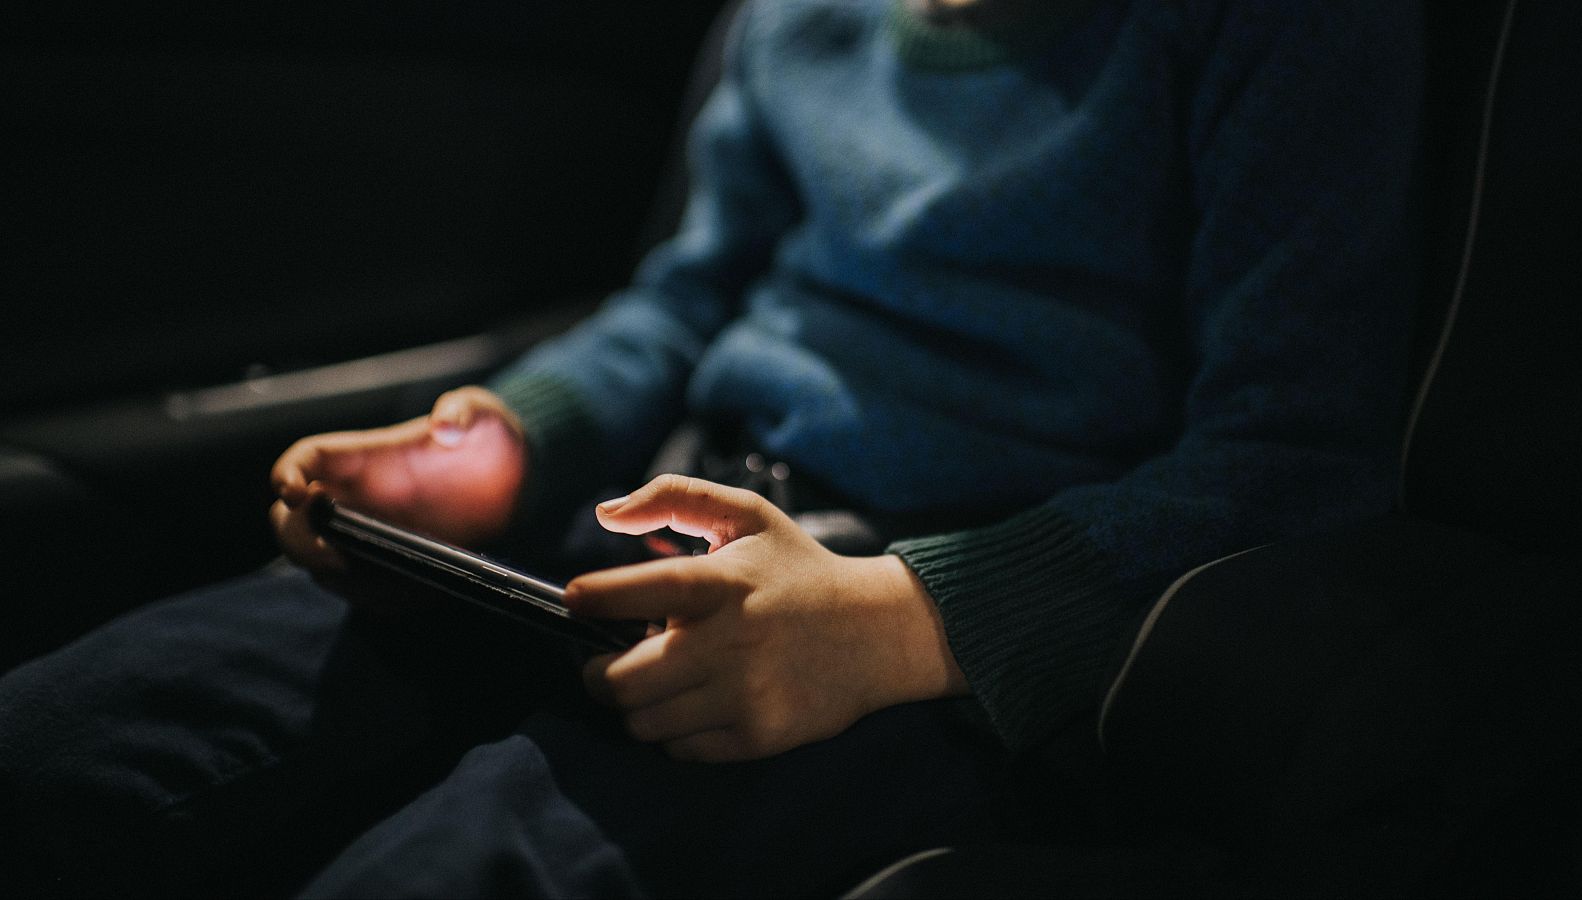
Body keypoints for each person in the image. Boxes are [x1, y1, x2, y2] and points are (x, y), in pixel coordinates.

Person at [0, 0, 1424, 896]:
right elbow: (683, 301)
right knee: (63, 745)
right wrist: (498, 446)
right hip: (634, 535)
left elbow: (1292, 457)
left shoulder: (1287, 31)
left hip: (920, 649)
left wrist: (907, 616)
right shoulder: (799, 20)